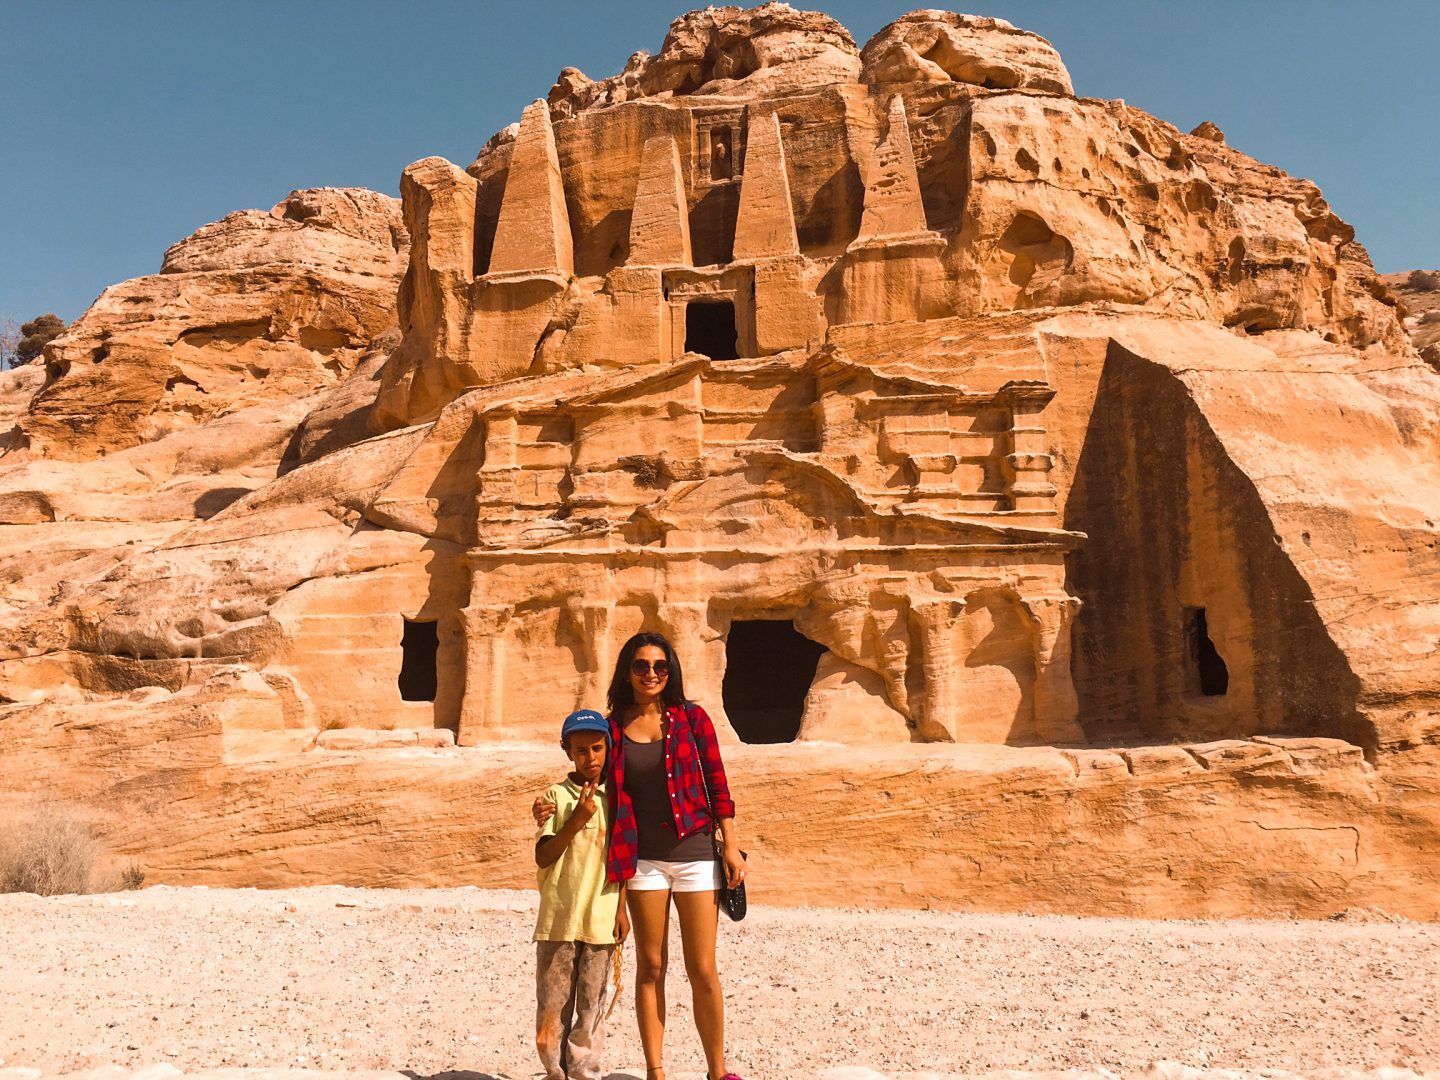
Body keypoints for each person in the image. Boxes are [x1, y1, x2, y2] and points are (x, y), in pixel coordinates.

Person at [542, 631, 746, 1080]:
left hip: (695, 852)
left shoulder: (692, 719)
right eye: (640, 666)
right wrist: (552, 801)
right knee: (650, 966)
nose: (650, 673)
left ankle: (717, 1071)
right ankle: (656, 1071)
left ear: (669, 670)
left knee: (703, 969)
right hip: (644, 862)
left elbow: (717, 780)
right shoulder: (613, 727)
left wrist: (729, 842)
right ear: (626, 672)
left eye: (659, 665)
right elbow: (589, 768)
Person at [532, 709, 629, 1080]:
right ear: (567, 752)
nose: (591, 758)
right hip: (558, 920)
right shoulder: (556, 796)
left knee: (592, 1003)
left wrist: (622, 910)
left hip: (602, 919)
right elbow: (543, 856)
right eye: (581, 751)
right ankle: (554, 1073)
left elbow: (623, 860)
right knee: (552, 1005)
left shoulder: (617, 799)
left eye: (597, 748)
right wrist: (576, 820)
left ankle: (584, 1071)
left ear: (608, 749)